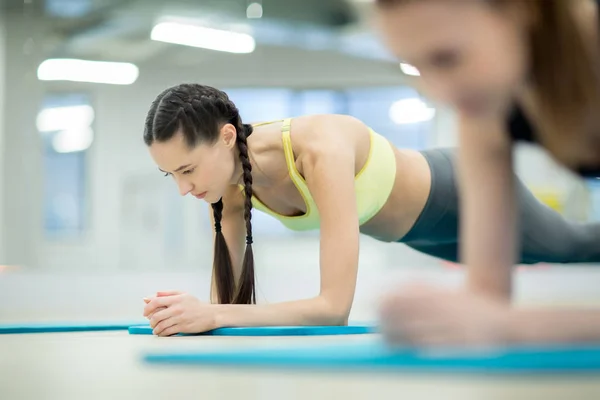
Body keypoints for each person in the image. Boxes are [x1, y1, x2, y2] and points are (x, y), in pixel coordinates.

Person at [140, 83, 600, 337]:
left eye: (187, 169)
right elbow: (225, 306)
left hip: (466, 191)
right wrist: (188, 315)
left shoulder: (318, 147)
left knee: (575, 246)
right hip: (421, 235)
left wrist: (214, 315)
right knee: (545, 254)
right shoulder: (226, 188)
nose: (184, 189)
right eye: (171, 176)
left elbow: (333, 308)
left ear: (225, 137)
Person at [373, 0, 600, 346]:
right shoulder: (483, 110)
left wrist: (513, 325)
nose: (439, 92)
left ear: (523, 11)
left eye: (447, 58)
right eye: (417, 67)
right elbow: (486, 299)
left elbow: (496, 321)